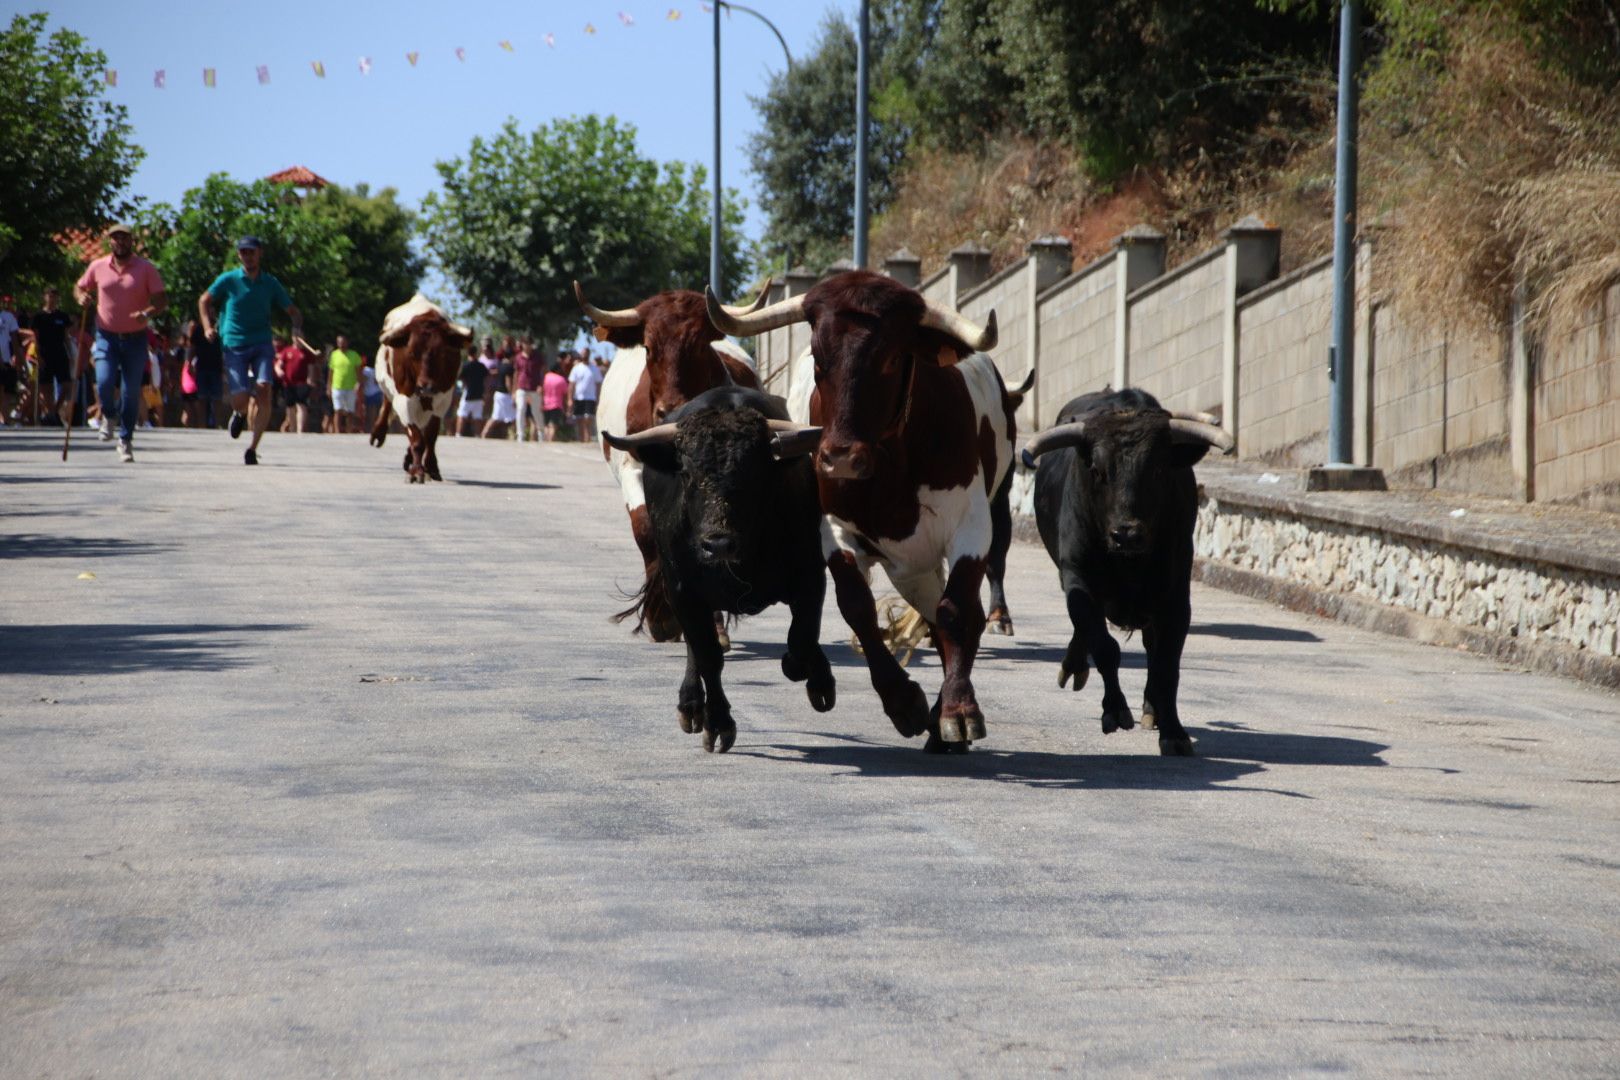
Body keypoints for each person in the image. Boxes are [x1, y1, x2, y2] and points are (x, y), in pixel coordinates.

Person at [199, 236, 304, 465]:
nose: (248, 256)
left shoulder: (270, 283)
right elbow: (204, 300)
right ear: (239, 255)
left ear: (260, 253)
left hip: (262, 343)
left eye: (251, 252)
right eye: (243, 252)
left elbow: (293, 311)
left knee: (265, 387)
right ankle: (239, 413)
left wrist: (296, 329)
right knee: (240, 398)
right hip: (234, 344)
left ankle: (252, 448)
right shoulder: (229, 280)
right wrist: (208, 327)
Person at [75, 224, 168, 462]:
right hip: (106, 335)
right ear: (110, 242)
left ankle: (125, 440)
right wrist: (81, 297)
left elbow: (161, 299)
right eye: (116, 239)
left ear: (132, 241)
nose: (120, 243)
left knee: (131, 391)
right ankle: (108, 414)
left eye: (125, 238)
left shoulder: (145, 268)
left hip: (135, 338)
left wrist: (146, 313)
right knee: (104, 382)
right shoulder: (98, 266)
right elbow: (79, 287)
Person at [22, 287, 73, 426]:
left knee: (67, 385)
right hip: (44, 353)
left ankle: (54, 411)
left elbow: (66, 337)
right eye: (50, 296)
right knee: (47, 387)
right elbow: (35, 338)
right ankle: (51, 415)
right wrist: (38, 355)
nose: (52, 299)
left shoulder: (62, 317)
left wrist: (71, 355)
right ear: (45, 297)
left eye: (55, 296)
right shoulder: (38, 317)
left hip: (60, 353)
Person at [185, 318, 225, 428]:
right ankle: (202, 425)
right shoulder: (198, 329)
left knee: (217, 398)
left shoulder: (220, 329)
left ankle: (217, 424)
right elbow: (192, 347)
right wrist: (189, 363)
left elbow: (225, 349)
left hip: (216, 368)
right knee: (201, 398)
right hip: (201, 368)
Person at [275, 333, 317, 433]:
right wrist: (278, 371)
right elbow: (278, 365)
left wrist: (310, 379)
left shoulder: (307, 353)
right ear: (292, 338)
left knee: (301, 405)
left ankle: (300, 429)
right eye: (295, 336)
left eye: (300, 336)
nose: (298, 339)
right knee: (290, 406)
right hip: (288, 383)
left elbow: (310, 367)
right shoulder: (287, 351)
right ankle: (292, 428)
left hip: (302, 382)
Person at [327, 334, 363, 434]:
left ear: (347, 342)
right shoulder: (334, 355)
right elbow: (331, 372)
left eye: (343, 342)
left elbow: (358, 371)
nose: (341, 345)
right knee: (338, 410)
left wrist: (359, 383)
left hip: (351, 387)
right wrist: (328, 386)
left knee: (350, 411)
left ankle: (349, 430)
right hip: (337, 386)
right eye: (339, 343)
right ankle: (337, 432)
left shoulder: (354, 355)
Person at [568, 348, 603, 444]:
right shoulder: (576, 368)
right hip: (578, 398)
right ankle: (581, 441)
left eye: (586, 353)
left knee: (587, 419)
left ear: (589, 354)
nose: (584, 355)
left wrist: (598, 397)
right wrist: (570, 399)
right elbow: (571, 385)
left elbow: (599, 384)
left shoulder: (595, 369)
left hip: (590, 398)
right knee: (579, 420)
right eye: (582, 354)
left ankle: (587, 441)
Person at [512, 338, 544, 442]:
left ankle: (541, 433)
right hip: (521, 388)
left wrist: (541, 385)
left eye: (529, 343)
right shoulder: (518, 357)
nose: (527, 346)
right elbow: (516, 374)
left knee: (536, 412)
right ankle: (520, 435)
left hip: (534, 388)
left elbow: (542, 372)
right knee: (520, 409)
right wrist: (513, 390)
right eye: (525, 343)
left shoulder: (538, 357)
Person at [481, 348, 517, 439]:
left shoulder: (500, 365)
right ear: (512, 357)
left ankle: (484, 433)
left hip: (498, 393)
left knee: (495, 417)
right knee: (514, 417)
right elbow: (508, 381)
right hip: (505, 395)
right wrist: (512, 394)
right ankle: (517, 436)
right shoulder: (509, 367)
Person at [455, 347, 488, 436]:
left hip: (468, 394)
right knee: (477, 416)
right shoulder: (481, 366)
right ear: (476, 353)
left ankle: (458, 434)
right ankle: (477, 435)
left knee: (462, 414)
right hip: (479, 393)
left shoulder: (465, 366)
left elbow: (459, 377)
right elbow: (486, 378)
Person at [541, 359, 569, 442]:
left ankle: (546, 439)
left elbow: (542, 390)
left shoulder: (545, 377)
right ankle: (550, 440)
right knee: (553, 424)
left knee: (546, 424)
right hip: (556, 404)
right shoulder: (561, 379)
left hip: (546, 403)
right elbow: (565, 393)